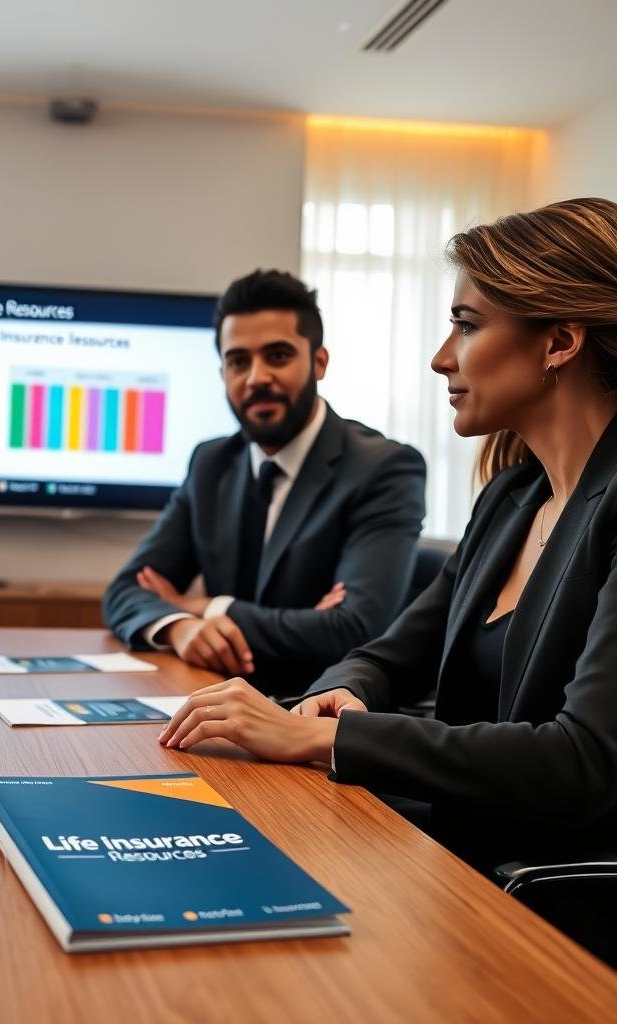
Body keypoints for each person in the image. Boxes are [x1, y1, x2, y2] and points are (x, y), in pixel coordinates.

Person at [159, 197, 617, 871]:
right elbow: (388, 654)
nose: (440, 359)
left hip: (537, 892)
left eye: (465, 326)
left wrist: (318, 739)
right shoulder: (511, 499)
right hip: (452, 845)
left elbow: (582, 761)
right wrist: (347, 693)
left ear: (558, 342)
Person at [103, 269, 426, 696]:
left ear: (319, 362)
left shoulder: (383, 467)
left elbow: (354, 629)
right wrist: (180, 625)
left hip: (318, 719)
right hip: (219, 707)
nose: (256, 377)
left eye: (277, 356)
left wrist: (212, 608)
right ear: (223, 373)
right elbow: (125, 591)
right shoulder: (211, 463)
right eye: (239, 361)